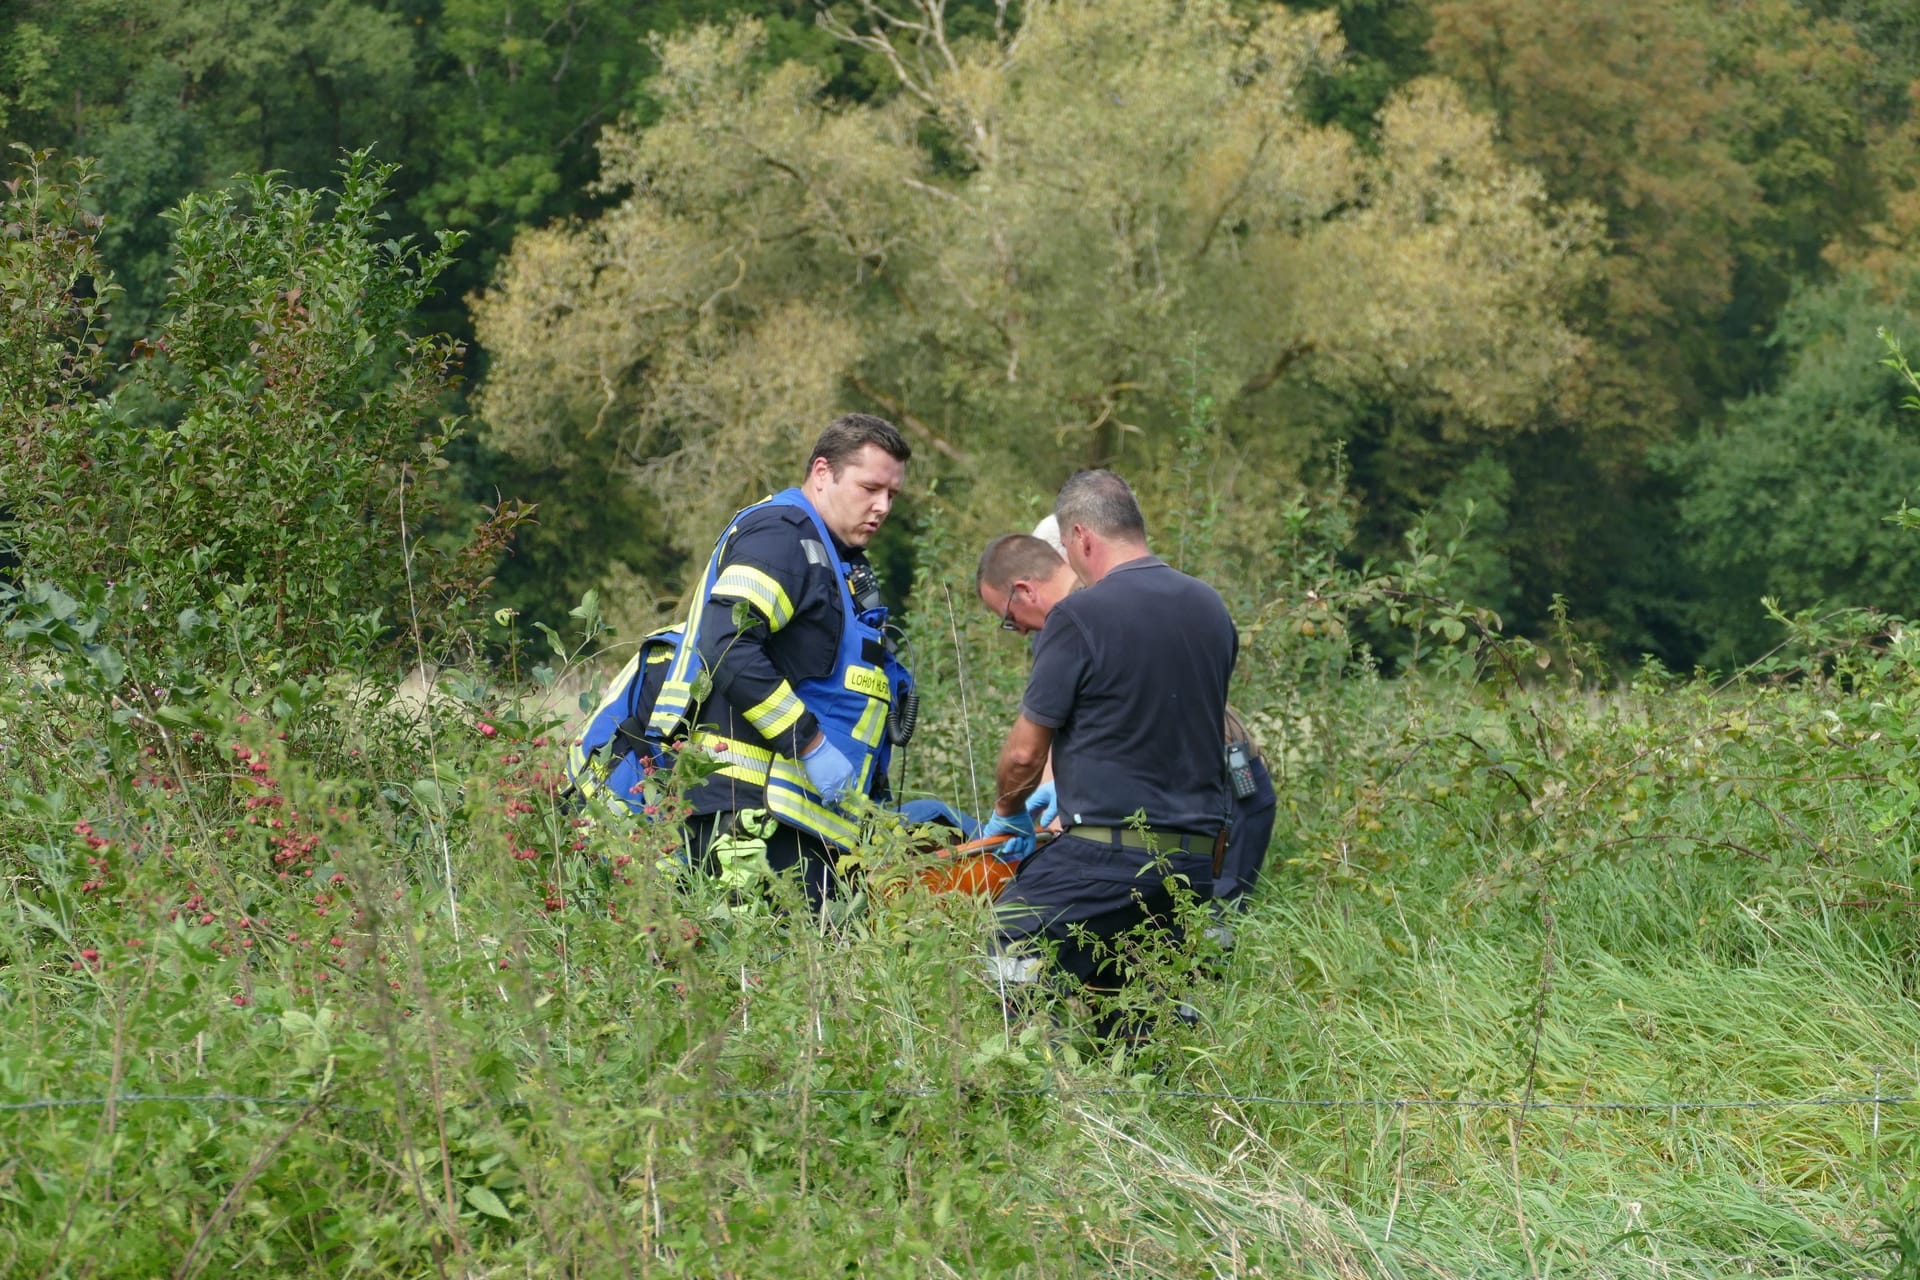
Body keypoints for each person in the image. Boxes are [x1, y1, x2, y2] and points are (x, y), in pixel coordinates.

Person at [978, 470, 1238, 1031]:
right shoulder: (1211, 609)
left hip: (1107, 854)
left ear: (1081, 536)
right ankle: (1140, 1101)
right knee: (1133, 1010)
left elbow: (1024, 756)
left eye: (1069, 550)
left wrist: (1007, 811)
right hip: (1192, 862)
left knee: (1004, 943)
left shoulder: (1078, 616)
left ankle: (1022, 1084)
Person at [647, 413, 913, 909]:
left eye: (892, 495)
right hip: (746, 814)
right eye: (870, 487)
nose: (882, 507)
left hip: (795, 823)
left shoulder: (837, 556)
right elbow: (727, 643)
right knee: (755, 976)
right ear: (821, 473)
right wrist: (809, 743)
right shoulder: (782, 535)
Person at [975, 531, 1277, 909]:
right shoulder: (1148, 594)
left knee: (1204, 927)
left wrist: (1018, 810)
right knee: (1190, 938)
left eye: (1008, 618)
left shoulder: (1075, 619)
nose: (1017, 629)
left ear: (1024, 591)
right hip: (1206, 796)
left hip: (1218, 788)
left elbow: (1036, 746)